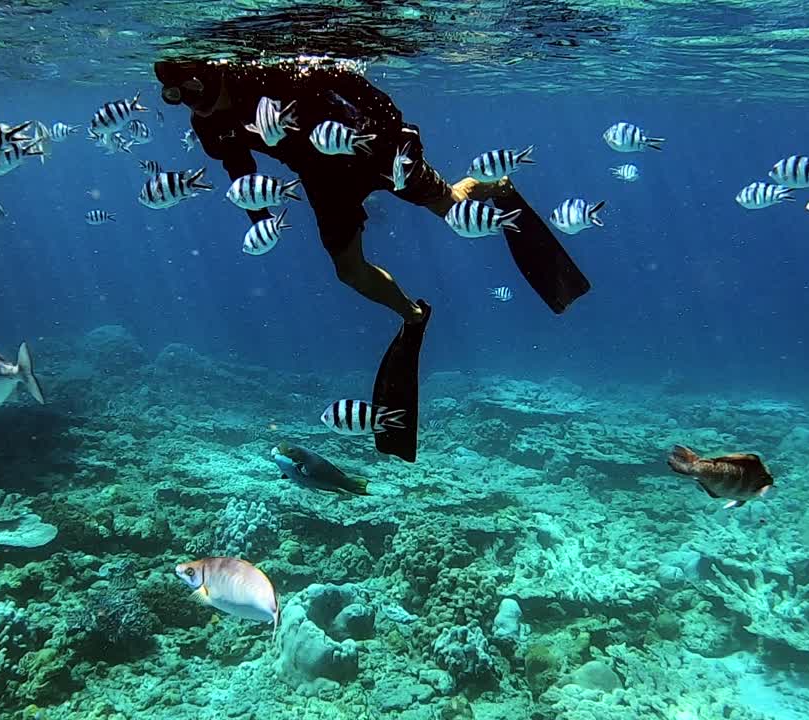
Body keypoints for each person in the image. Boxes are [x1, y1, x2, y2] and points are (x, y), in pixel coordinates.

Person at [156, 58, 590, 461]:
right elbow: (239, 168)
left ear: (212, 74)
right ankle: (414, 314)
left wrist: (392, 131)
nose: (197, 107)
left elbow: (351, 83)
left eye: (197, 91)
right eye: (181, 98)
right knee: (348, 271)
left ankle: (497, 187)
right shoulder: (209, 125)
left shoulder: (274, 75)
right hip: (323, 179)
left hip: (377, 153)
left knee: (451, 209)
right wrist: (260, 219)